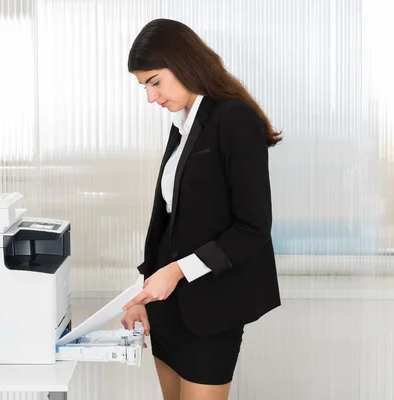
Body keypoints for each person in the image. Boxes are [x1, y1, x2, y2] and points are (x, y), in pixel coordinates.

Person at [121, 19, 282, 400]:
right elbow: (170, 223)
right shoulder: (181, 125)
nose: (150, 97)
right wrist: (143, 295)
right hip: (168, 308)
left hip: (212, 308)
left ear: (183, 62)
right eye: (144, 86)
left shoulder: (233, 119)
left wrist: (176, 272)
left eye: (155, 81)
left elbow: (253, 228)